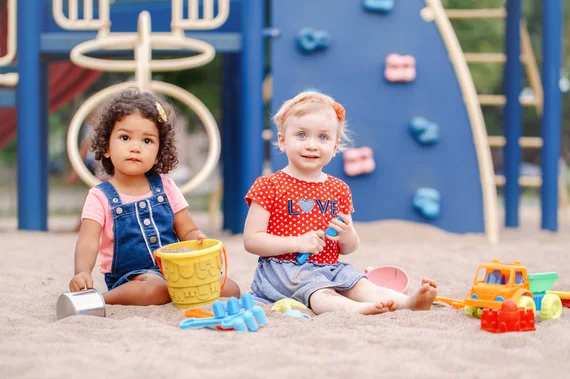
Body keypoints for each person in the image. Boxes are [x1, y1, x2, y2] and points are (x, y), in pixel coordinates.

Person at [243, 91, 437, 315]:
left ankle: (408, 302)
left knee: (362, 284)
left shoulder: (339, 189)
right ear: (282, 140)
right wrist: (296, 242)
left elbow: (348, 247)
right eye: (302, 135)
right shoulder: (270, 185)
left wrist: (347, 236)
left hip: (330, 268)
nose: (312, 145)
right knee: (320, 293)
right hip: (285, 271)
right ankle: (356, 309)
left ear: (335, 147)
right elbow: (252, 240)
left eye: (323, 137)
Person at [68, 87, 240, 305]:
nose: (135, 147)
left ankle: (176, 290)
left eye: (147, 141)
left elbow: (186, 228)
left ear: (159, 152)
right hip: (133, 277)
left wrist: (198, 239)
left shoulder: (166, 188)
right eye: (124, 137)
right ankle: (101, 299)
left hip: (176, 269)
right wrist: (82, 271)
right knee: (154, 288)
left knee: (230, 288)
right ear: (107, 147)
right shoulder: (100, 195)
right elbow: (88, 241)